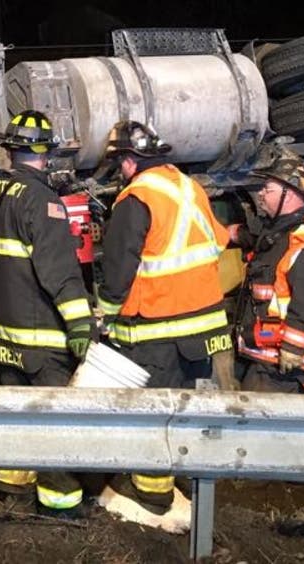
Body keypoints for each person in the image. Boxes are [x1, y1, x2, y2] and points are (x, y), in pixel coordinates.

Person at [94, 120, 233, 532]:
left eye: (119, 161)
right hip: (204, 328)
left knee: (154, 415)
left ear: (130, 160)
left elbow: (118, 272)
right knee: (186, 409)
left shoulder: (135, 197)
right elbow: (218, 243)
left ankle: (152, 500)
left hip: (158, 329)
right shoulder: (191, 188)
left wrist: (103, 314)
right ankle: (189, 483)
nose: (120, 170)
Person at [0, 109, 96, 517]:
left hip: (6, 333)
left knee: (14, 416)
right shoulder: (43, 201)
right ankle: (60, 508)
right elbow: (60, 273)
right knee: (54, 423)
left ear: (11, 150)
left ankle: (12, 494)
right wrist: (81, 325)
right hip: (42, 339)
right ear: (46, 154)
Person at [235, 146, 304, 395]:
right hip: (270, 362)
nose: (261, 195)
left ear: (290, 194)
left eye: (267, 190)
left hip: (288, 369)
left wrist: (292, 348)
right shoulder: (283, 234)